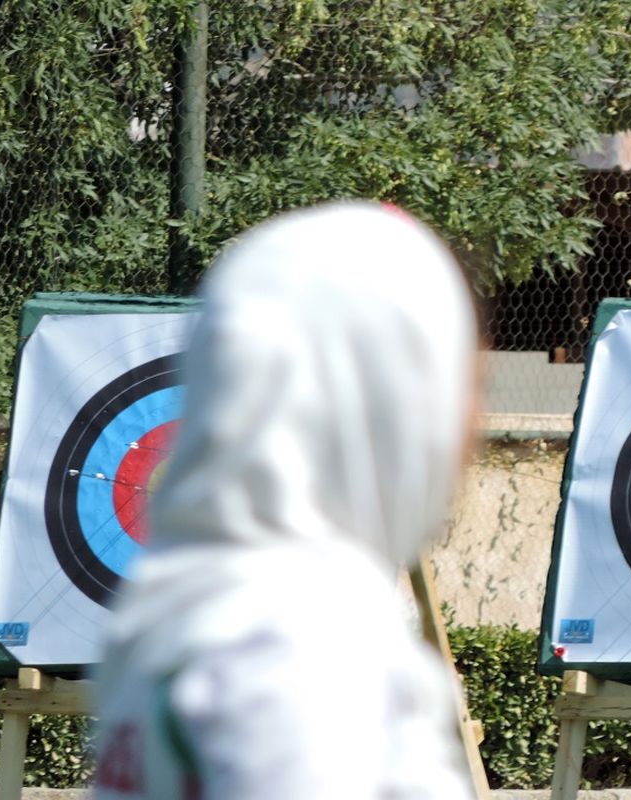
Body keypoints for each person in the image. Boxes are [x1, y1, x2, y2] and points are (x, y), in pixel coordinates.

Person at [92, 202, 479, 799]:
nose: (472, 421)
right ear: (385, 402)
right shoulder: (292, 641)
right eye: (457, 381)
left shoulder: (201, 600)